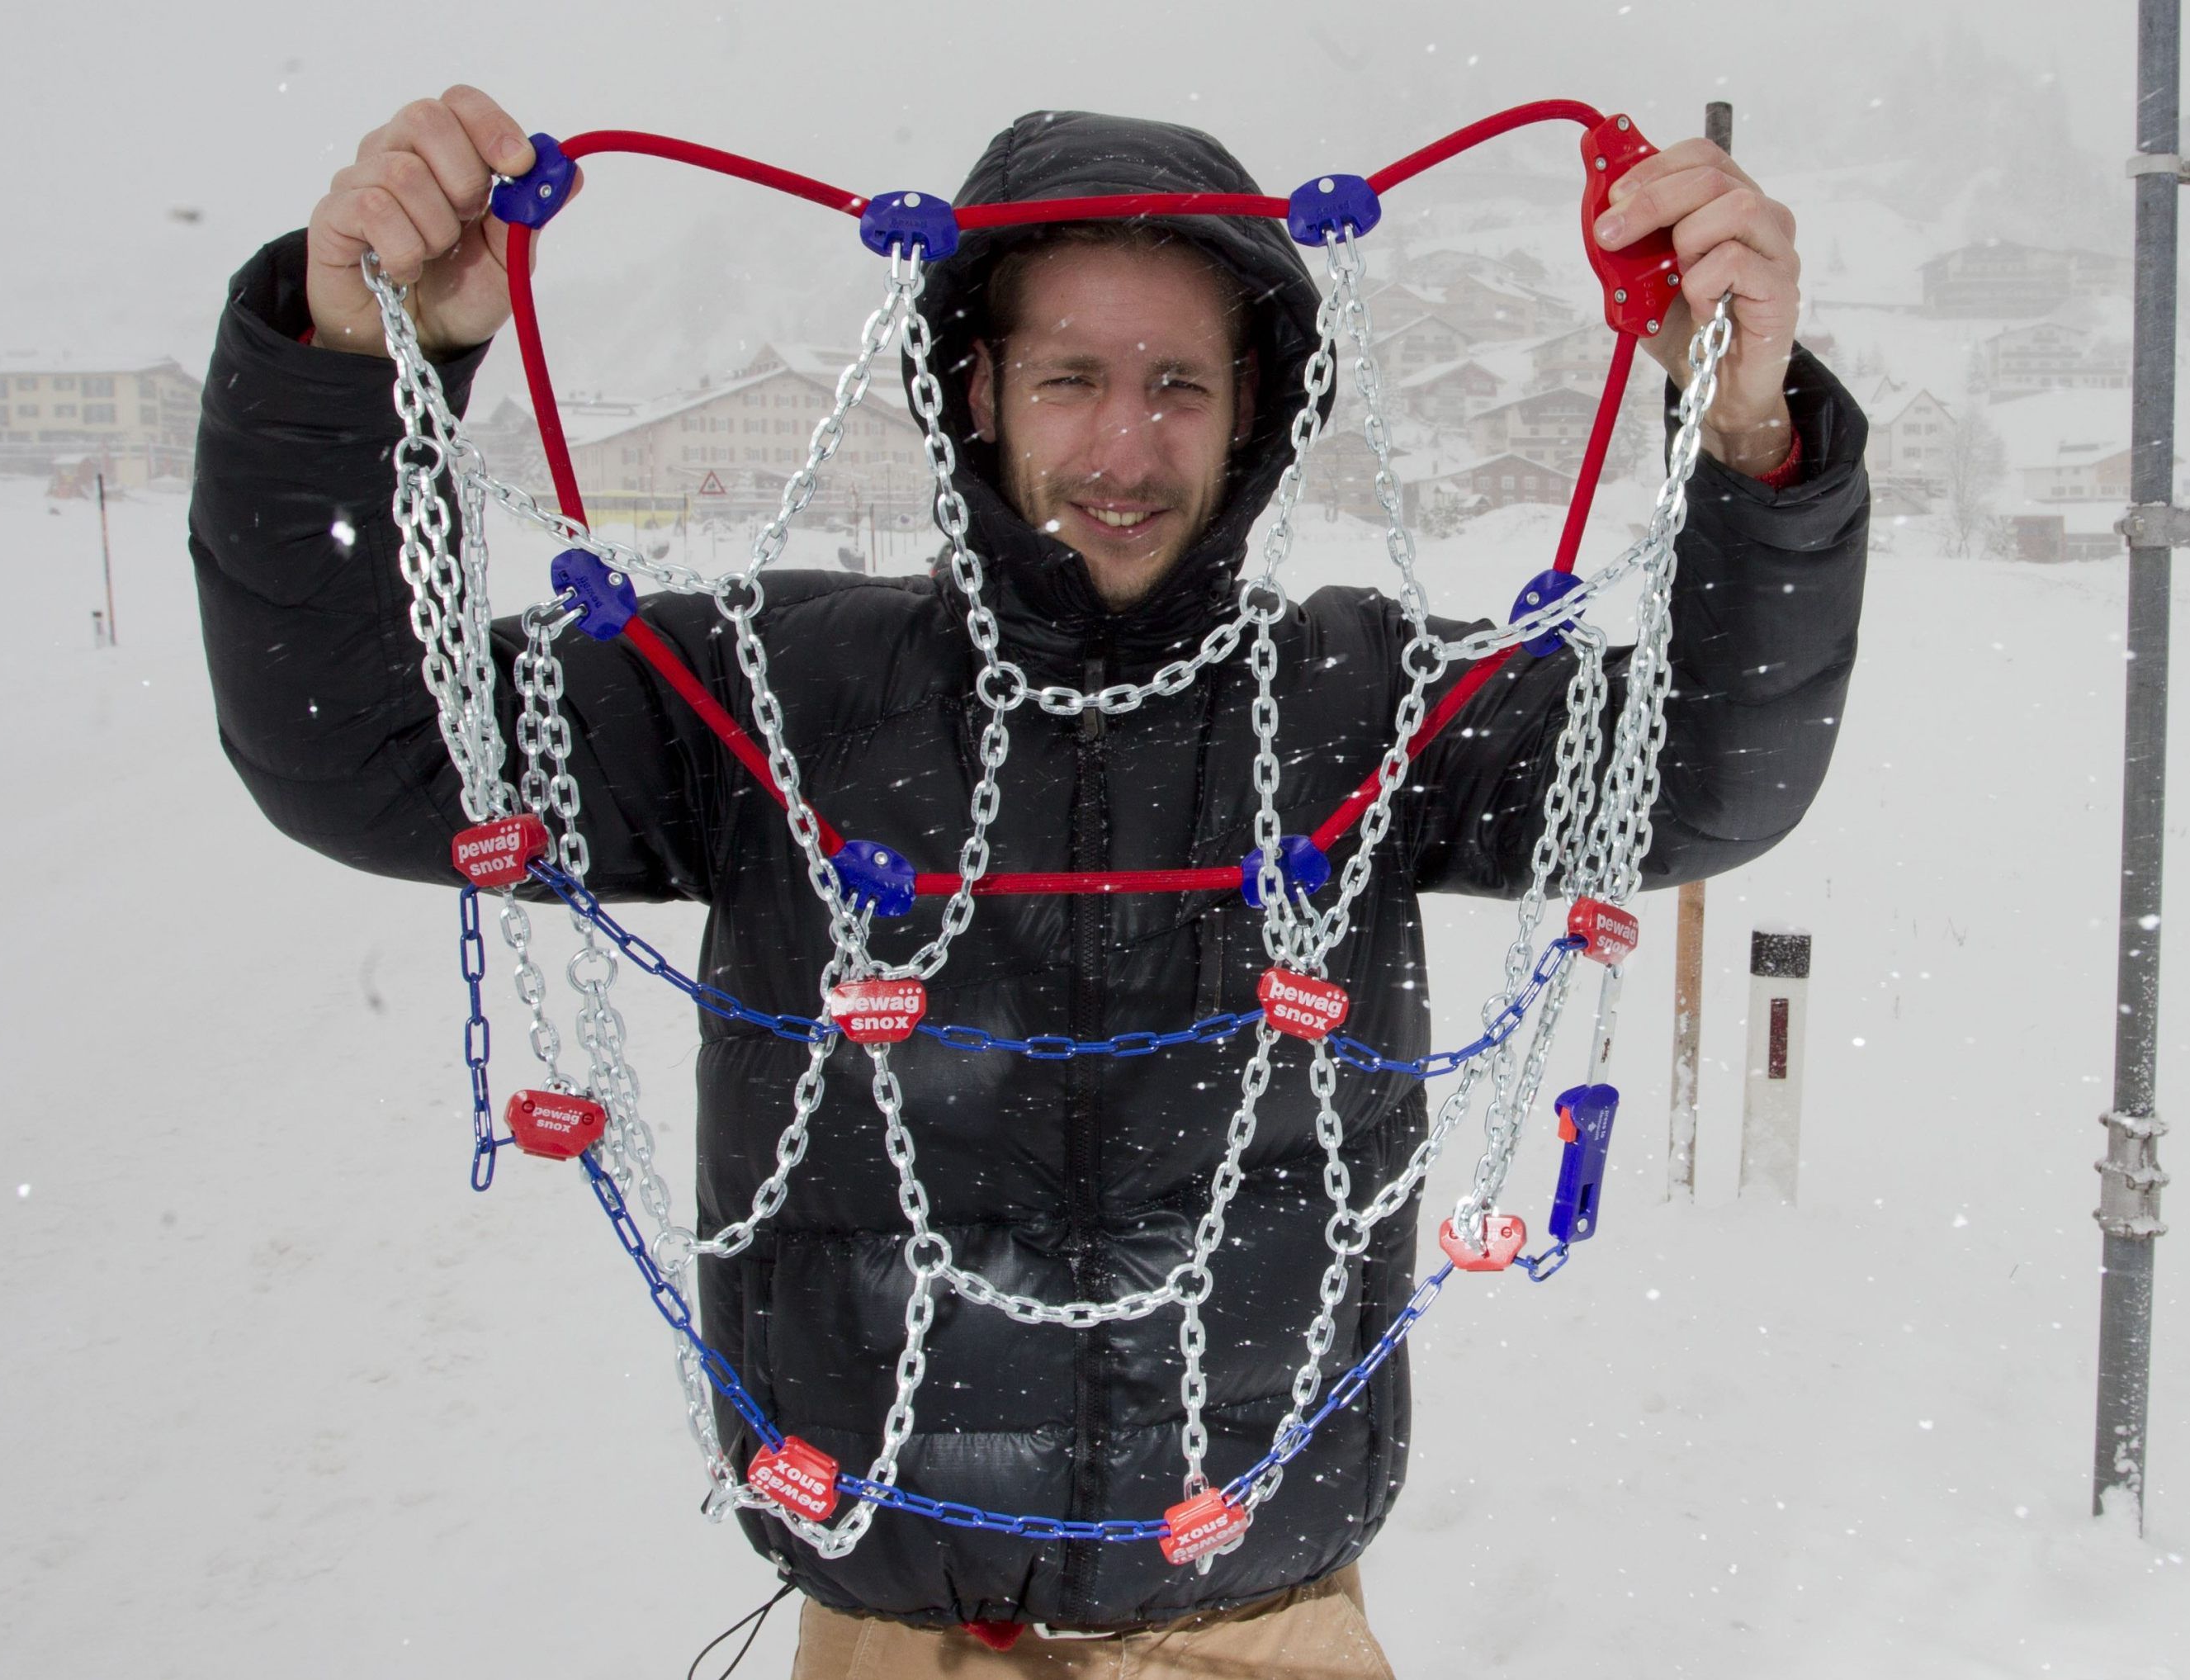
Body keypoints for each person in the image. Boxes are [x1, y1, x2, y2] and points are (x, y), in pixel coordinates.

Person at [190, 84, 1867, 1678]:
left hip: (1261, 1630)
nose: (1123, 446)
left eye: (1179, 385)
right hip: (893, 1639)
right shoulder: (775, 698)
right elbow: (369, 752)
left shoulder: (1360, 706)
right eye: (1071, 376)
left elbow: (1709, 772)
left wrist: (1743, 424)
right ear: (974, 387)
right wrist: (355, 360)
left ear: (1254, 410)